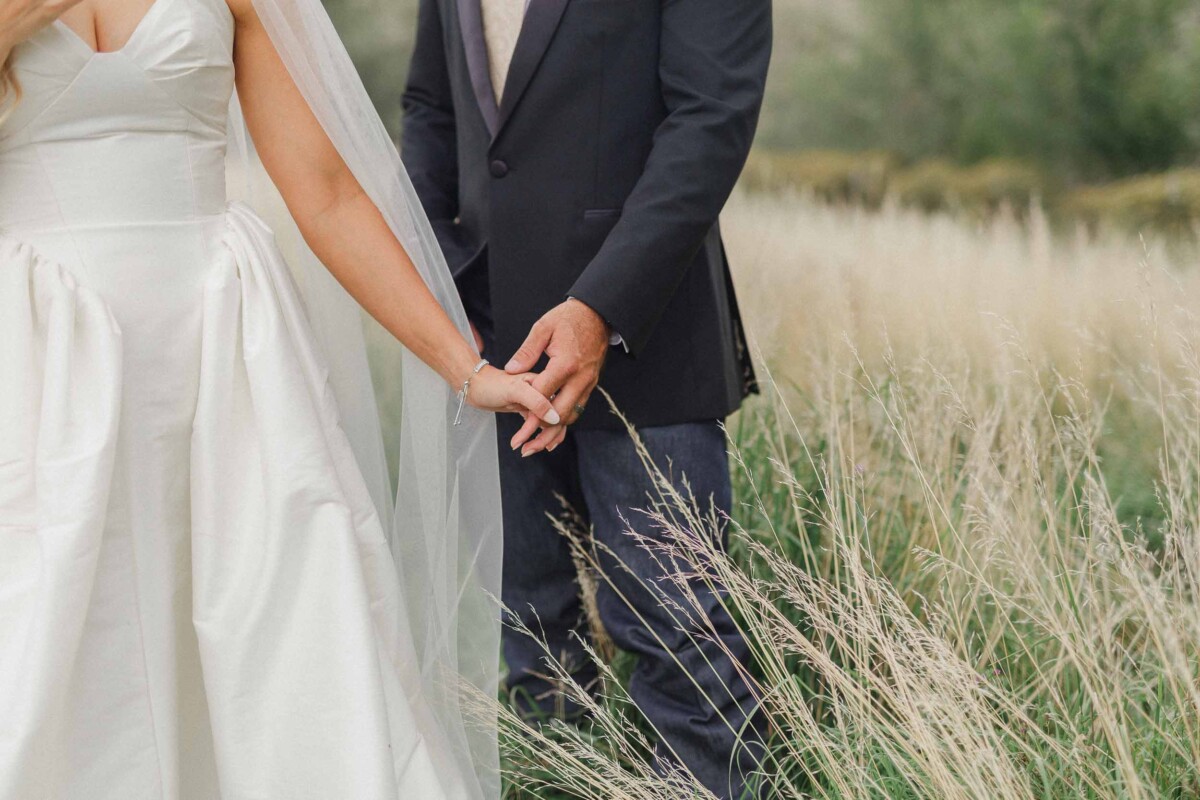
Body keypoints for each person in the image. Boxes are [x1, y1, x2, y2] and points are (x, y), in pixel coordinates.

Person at [0, 0, 557, 795]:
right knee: (52, 635)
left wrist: (466, 370)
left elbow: (325, 191)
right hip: (40, 359)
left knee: (288, 625)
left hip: (224, 356)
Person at [401, 0, 773, 796]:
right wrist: (437, 284)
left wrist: (601, 307)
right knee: (531, 628)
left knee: (677, 624)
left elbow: (711, 119)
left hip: (646, 328)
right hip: (487, 338)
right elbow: (432, 109)